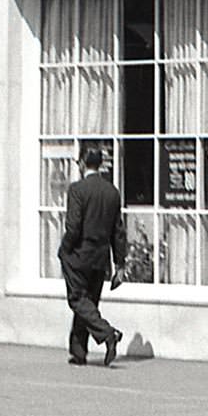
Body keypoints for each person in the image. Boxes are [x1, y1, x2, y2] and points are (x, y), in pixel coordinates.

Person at [60, 144, 126, 368]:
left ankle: (108, 333)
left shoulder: (77, 190)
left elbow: (73, 226)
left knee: (77, 300)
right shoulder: (112, 192)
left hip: (79, 254)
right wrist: (120, 263)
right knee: (88, 303)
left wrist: (64, 249)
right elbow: (118, 230)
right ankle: (78, 351)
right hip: (100, 257)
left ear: (81, 164)